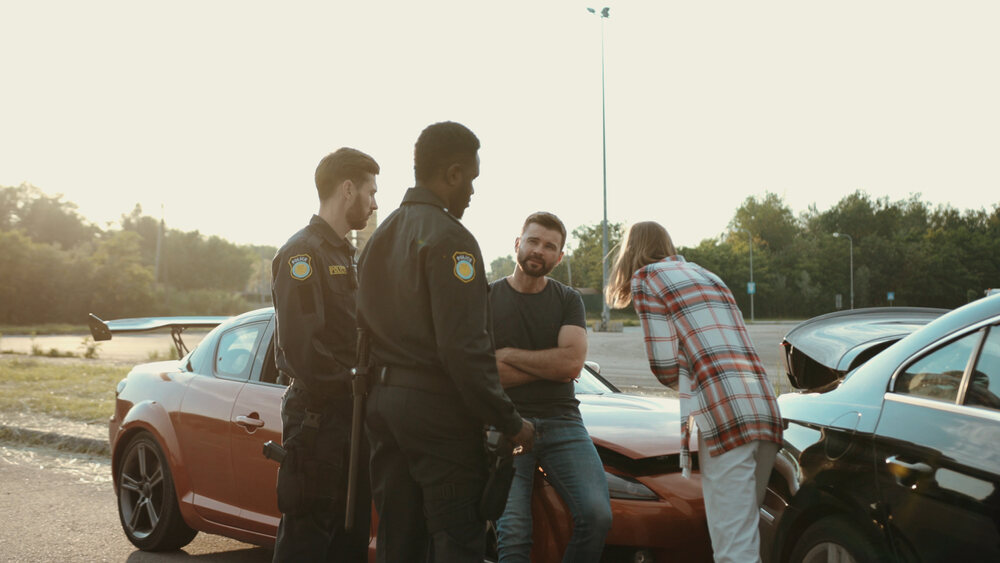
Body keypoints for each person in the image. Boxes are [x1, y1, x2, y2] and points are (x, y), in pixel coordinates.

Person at [356, 121, 535, 563]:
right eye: (471, 179)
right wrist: (510, 421)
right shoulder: (451, 238)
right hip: (436, 414)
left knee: (400, 540)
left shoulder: (380, 236)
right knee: (457, 540)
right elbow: (464, 349)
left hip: (383, 405)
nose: (472, 191)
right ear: (452, 174)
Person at [605, 221, 783, 563]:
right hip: (764, 409)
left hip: (724, 415)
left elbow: (664, 363)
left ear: (630, 252)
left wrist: (683, 378)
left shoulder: (647, 279)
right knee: (746, 535)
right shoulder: (708, 275)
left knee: (733, 547)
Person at [270, 147, 379, 562]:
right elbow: (302, 351)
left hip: (351, 416)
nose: (375, 203)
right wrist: (358, 385)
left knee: (348, 538)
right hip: (317, 419)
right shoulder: (303, 253)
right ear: (348, 190)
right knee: (309, 538)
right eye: (370, 192)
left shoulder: (345, 254)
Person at [491, 211, 612, 562]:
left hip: (563, 423)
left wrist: (511, 354)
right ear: (518, 243)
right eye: (532, 241)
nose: (538, 250)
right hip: (505, 424)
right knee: (513, 535)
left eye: (549, 246)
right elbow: (486, 375)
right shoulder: (486, 298)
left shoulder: (567, 300)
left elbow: (572, 365)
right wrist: (552, 366)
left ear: (559, 258)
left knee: (597, 516)